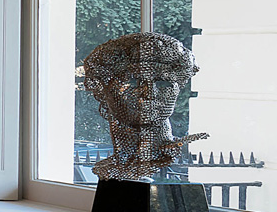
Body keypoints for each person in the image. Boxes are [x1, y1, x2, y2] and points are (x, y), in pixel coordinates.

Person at [81, 32, 206, 180]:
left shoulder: (172, 152)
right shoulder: (114, 166)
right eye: (133, 82)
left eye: (163, 83)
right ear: (103, 91)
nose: (149, 93)